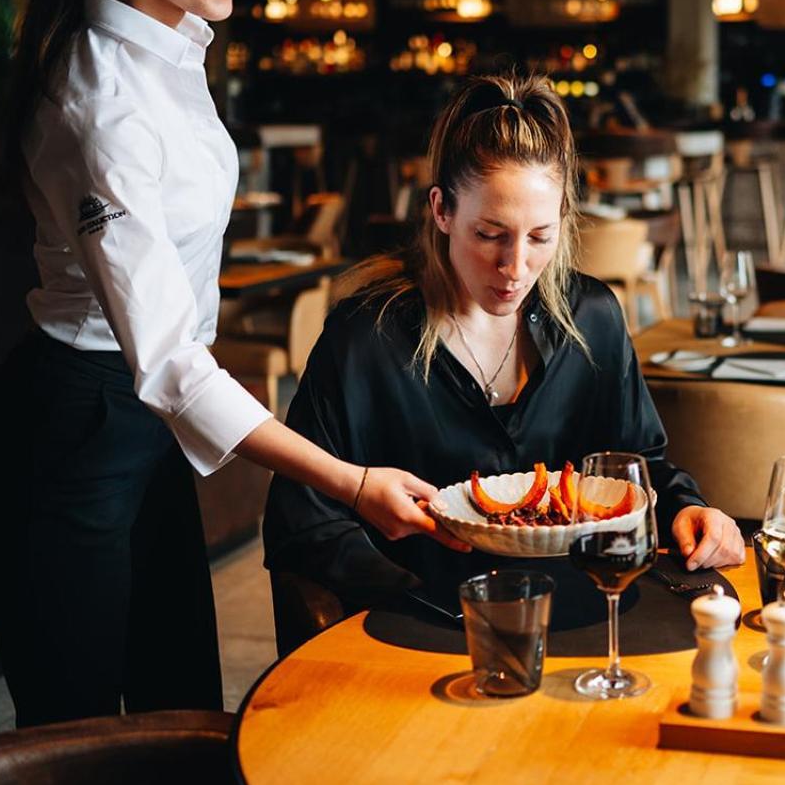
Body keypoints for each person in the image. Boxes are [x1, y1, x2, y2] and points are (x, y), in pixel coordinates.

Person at [0, 0, 451, 728]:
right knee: (79, 737)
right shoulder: (97, 101)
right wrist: (347, 481)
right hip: (67, 431)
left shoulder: (173, 54)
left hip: (135, 424)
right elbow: (173, 363)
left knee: (180, 703)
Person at [263, 75, 745, 610]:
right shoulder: (366, 338)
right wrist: (422, 606)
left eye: (540, 237)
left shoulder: (594, 319)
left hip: (582, 619)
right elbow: (303, 527)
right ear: (442, 210)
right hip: (416, 631)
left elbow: (637, 466)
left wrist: (686, 507)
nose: (515, 268)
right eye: (489, 234)